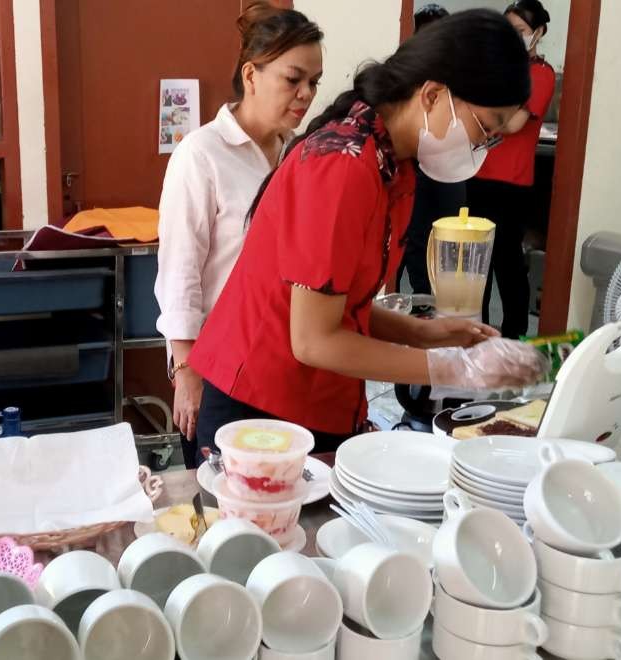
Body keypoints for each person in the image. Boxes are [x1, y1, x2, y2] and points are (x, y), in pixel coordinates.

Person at [189, 10, 548, 458]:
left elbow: (342, 305)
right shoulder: (343, 166)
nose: (481, 147)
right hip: (261, 411)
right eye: (485, 128)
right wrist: (457, 368)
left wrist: (428, 334)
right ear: (433, 95)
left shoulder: (390, 164)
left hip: (312, 402)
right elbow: (314, 339)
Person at [154, 1, 323, 467]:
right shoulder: (202, 154)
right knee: (225, 507)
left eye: (314, 82)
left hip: (284, 365)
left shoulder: (299, 155)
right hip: (218, 369)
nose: (306, 94)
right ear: (251, 75)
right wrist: (186, 371)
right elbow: (180, 272)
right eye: (293, 79)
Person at [466, 0, 555, 338]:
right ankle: (478, 332)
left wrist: (483, 117)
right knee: (477, 266)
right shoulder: (495, 68)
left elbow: (515, 123)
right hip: (475, 174)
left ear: (539, 33)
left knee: (507, 263)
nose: (511, 38)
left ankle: (513, 334)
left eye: (519, 31)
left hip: (511, 182)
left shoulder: (540, 74)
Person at [393, 2, 466, 296]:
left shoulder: (463, 77)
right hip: (416, 166)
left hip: (452, 168)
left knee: (450, 240)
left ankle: (438, 306)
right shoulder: (405, 78)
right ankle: (402, 300)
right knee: (409, 237)